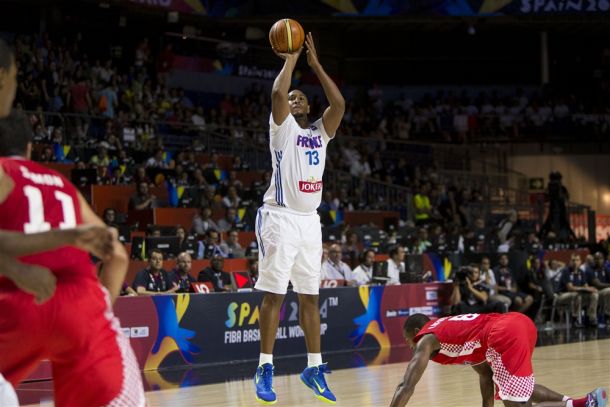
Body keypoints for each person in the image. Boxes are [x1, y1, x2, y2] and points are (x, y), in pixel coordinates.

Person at [0, 40, 145, 406]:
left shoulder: (4, 173)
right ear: (31, 149)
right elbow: (117, 254)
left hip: (12, 310)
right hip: (78, 307)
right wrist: (96, 307)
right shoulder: (63, 185)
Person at [253, 31, 345, 405]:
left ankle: (314, 367)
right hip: (279, 218)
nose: (293, 99)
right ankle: (264, 366)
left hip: (310, 223)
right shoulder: (281, 129)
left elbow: (338, 104)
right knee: (274, 295)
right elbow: (277, 94)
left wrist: (317, 66)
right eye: (292, 98)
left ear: (307, 108)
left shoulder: (320, 133)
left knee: (310, 296)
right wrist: (290, 58)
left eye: (300, 98)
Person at [390, 312, 607, 407]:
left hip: (503, 333)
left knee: (516, 403)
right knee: (512, 389)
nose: (409, 344)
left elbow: (406, 386)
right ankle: (582, 403)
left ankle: (583, 404)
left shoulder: (426, 338)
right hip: (519, 323)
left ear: (416, 331)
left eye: (406, 338)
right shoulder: (449, 331)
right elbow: (486, 375)